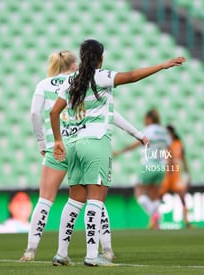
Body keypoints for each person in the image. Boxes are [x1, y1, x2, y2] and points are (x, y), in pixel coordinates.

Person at [50, 39, 185, 266]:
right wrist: (162, 65)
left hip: (73, 144)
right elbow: (131, 76)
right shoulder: (101, 76)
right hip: (96, 144)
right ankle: (92, 256)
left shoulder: (71, 81)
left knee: (74, 200)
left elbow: (55, 113)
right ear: (100, 58)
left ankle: (61, 254)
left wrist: (57, 141)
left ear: (82, 57)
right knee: (96, 200)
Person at [21, 50, 147, 265]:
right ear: (73, 65)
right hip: (87, 140)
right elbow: (111, 112)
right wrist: (137, 134)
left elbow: (35, 114)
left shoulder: (45, 84)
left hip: (58, 144)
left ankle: (32, 250)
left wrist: (43, 143)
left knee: (47, 200)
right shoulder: (83, 78)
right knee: (96, 196)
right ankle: (105, 249)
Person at [113, 109, 172, 230]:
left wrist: (120, 151)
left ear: (149, 119)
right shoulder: (164, 131)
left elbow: (137, 143)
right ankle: (157, 225)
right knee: (154, 194)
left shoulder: (149, 130)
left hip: (149, 164)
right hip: (161, 166)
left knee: (139, 191)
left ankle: (154, 215)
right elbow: (169, 149)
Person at [159, 124, 192, 228]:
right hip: (166, 174)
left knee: (182, 197)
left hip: (176, 174)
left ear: (172, 133)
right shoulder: (163, 144)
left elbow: (183, 158)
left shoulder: (178, 144)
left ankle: (187, 221)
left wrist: (187, 173)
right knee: (158, 197)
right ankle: (154, 222)